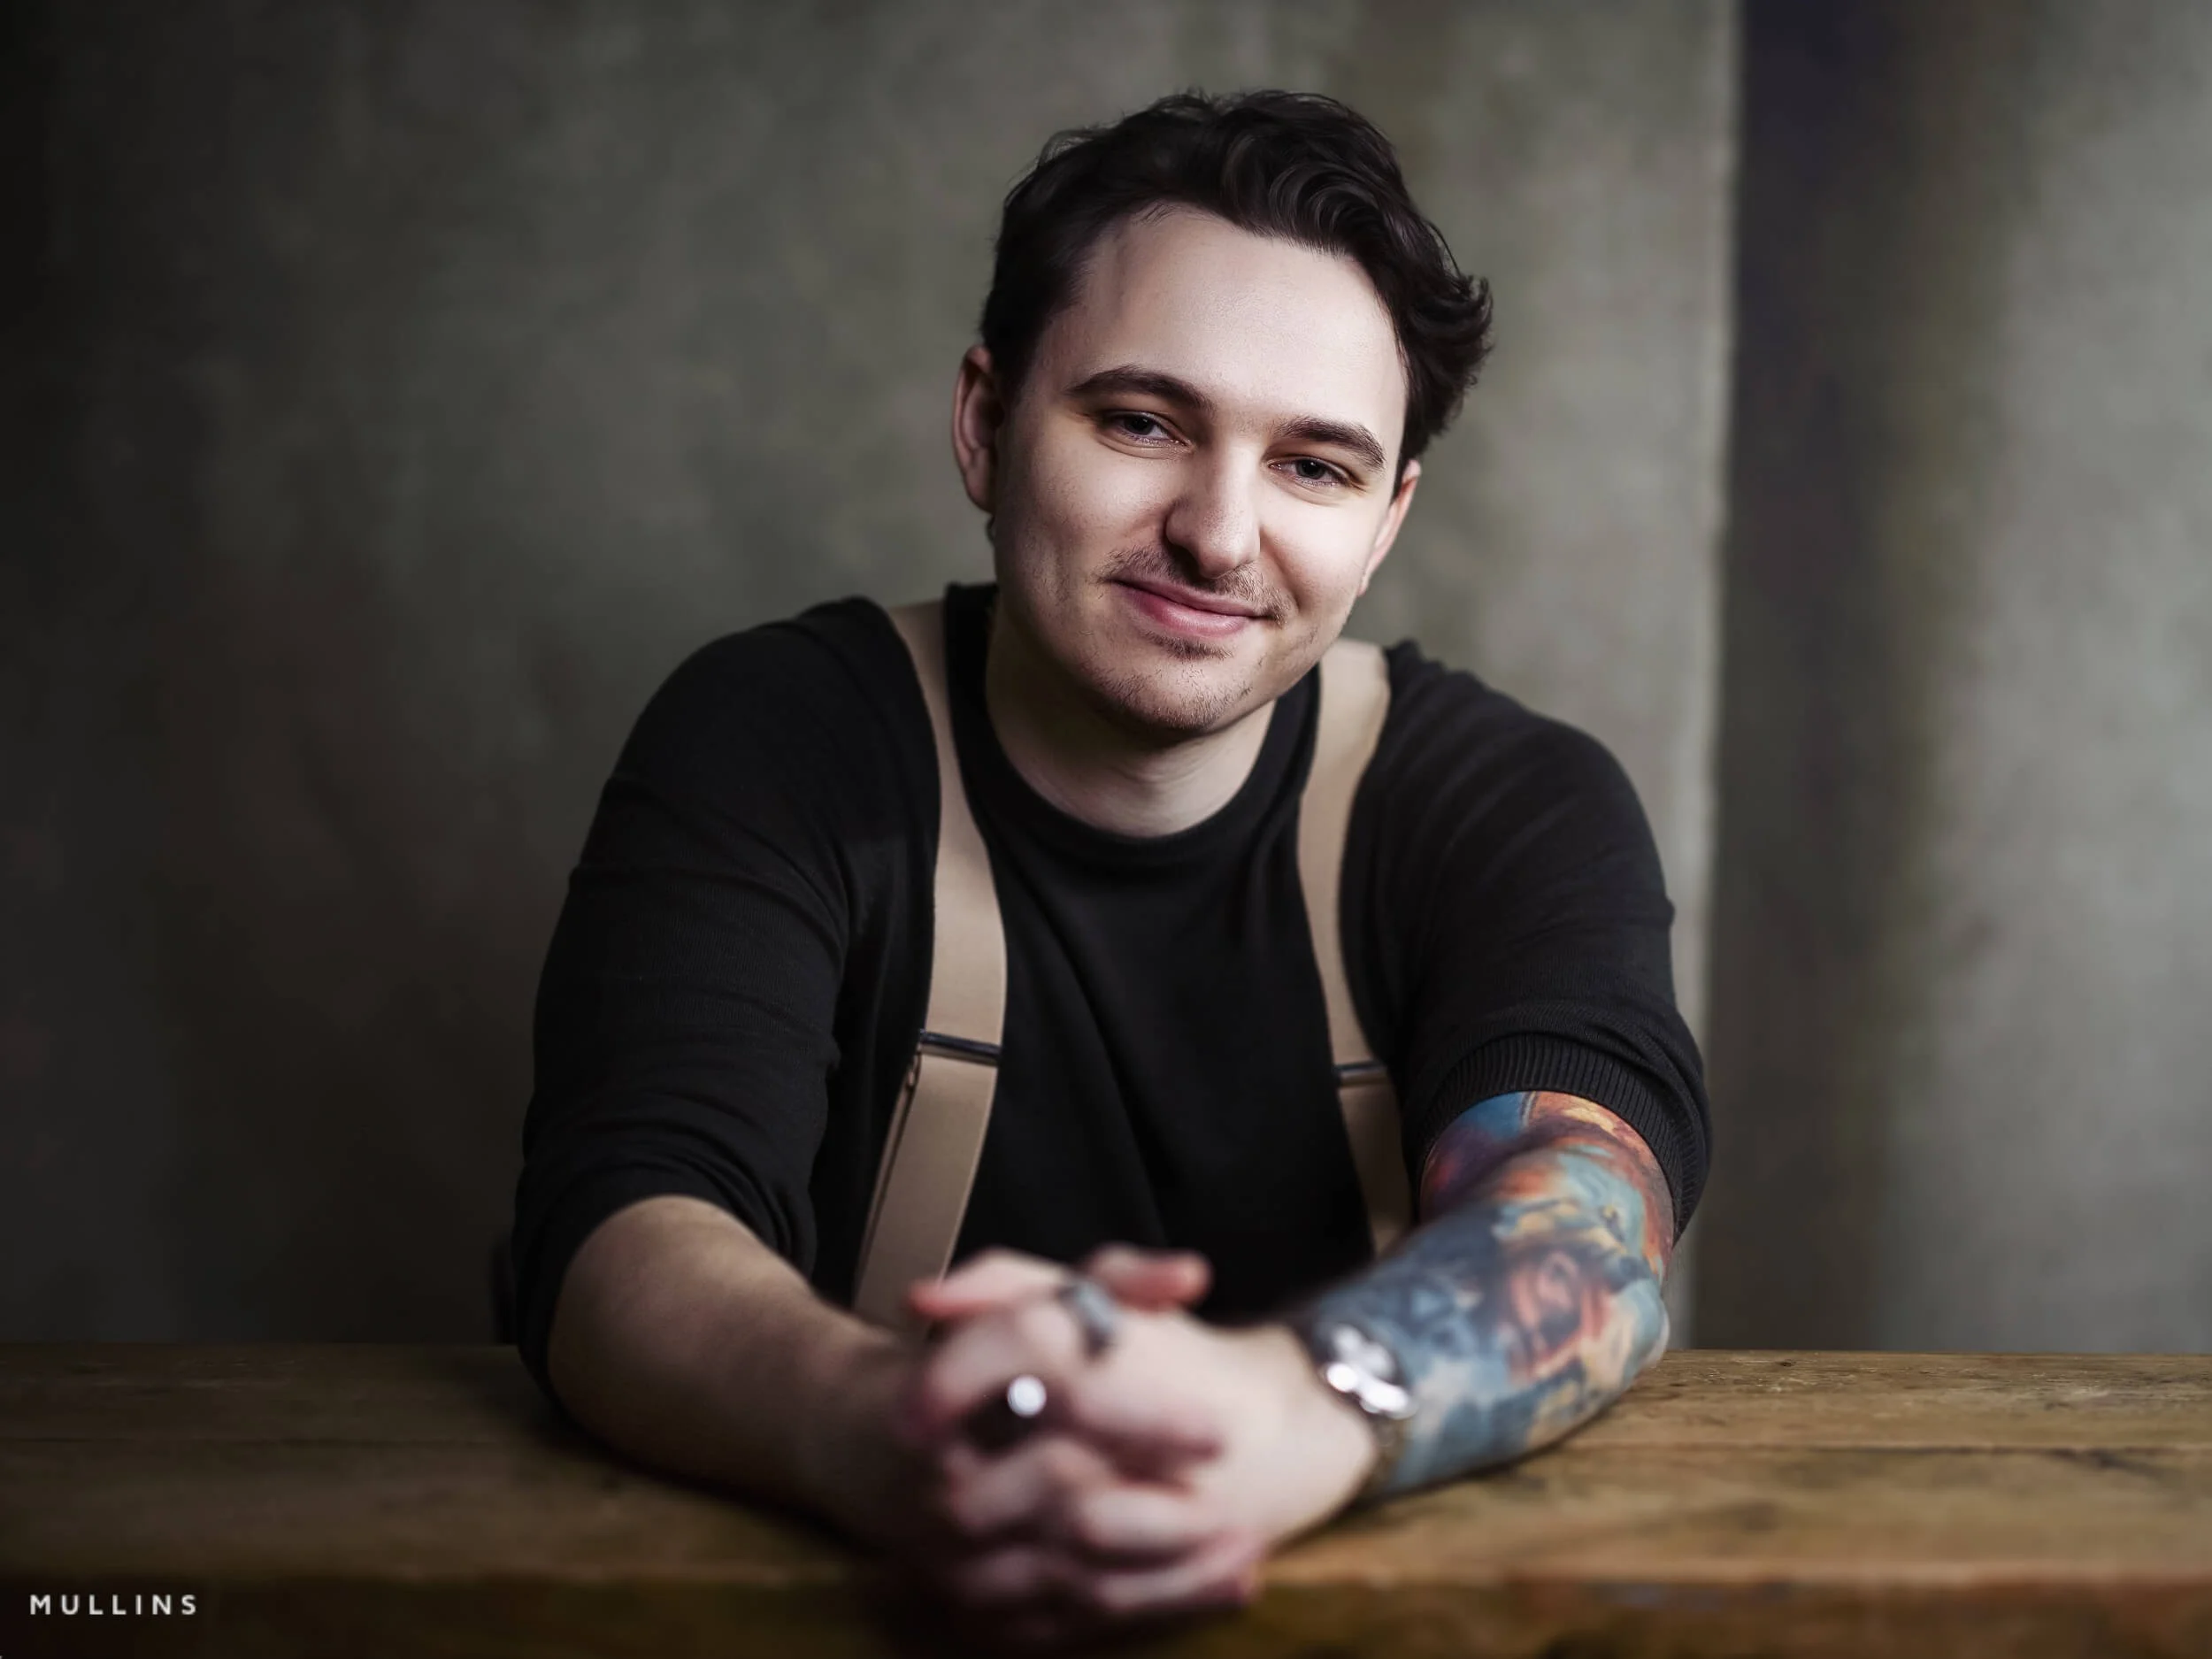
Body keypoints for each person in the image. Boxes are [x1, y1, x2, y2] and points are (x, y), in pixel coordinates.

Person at [511, 88, 1708, 1648]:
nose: (1220, 533)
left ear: (1390, 519)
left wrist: (1290, 1409)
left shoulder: (1506, 800)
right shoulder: (779, 740)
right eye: (1143, 422)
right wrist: (891, 1425)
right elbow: (626, 1231)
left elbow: (1588, 1213)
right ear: (984, 421)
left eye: (1317, 467)